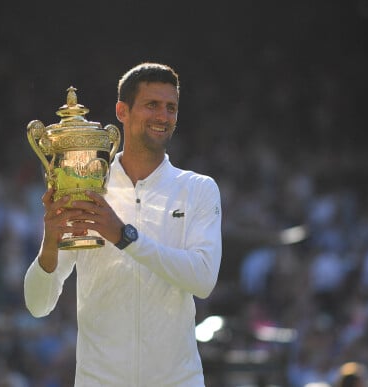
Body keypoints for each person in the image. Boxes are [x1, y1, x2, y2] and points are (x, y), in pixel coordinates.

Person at [23, 62, 223, 386]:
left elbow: (202, 279)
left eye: (171, 107)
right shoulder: (86, 188)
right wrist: (50, 242)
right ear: (122, 111)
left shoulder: (198, 189)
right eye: (152, 105)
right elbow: (37, 304)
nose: (163, 116)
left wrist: (125, 237)